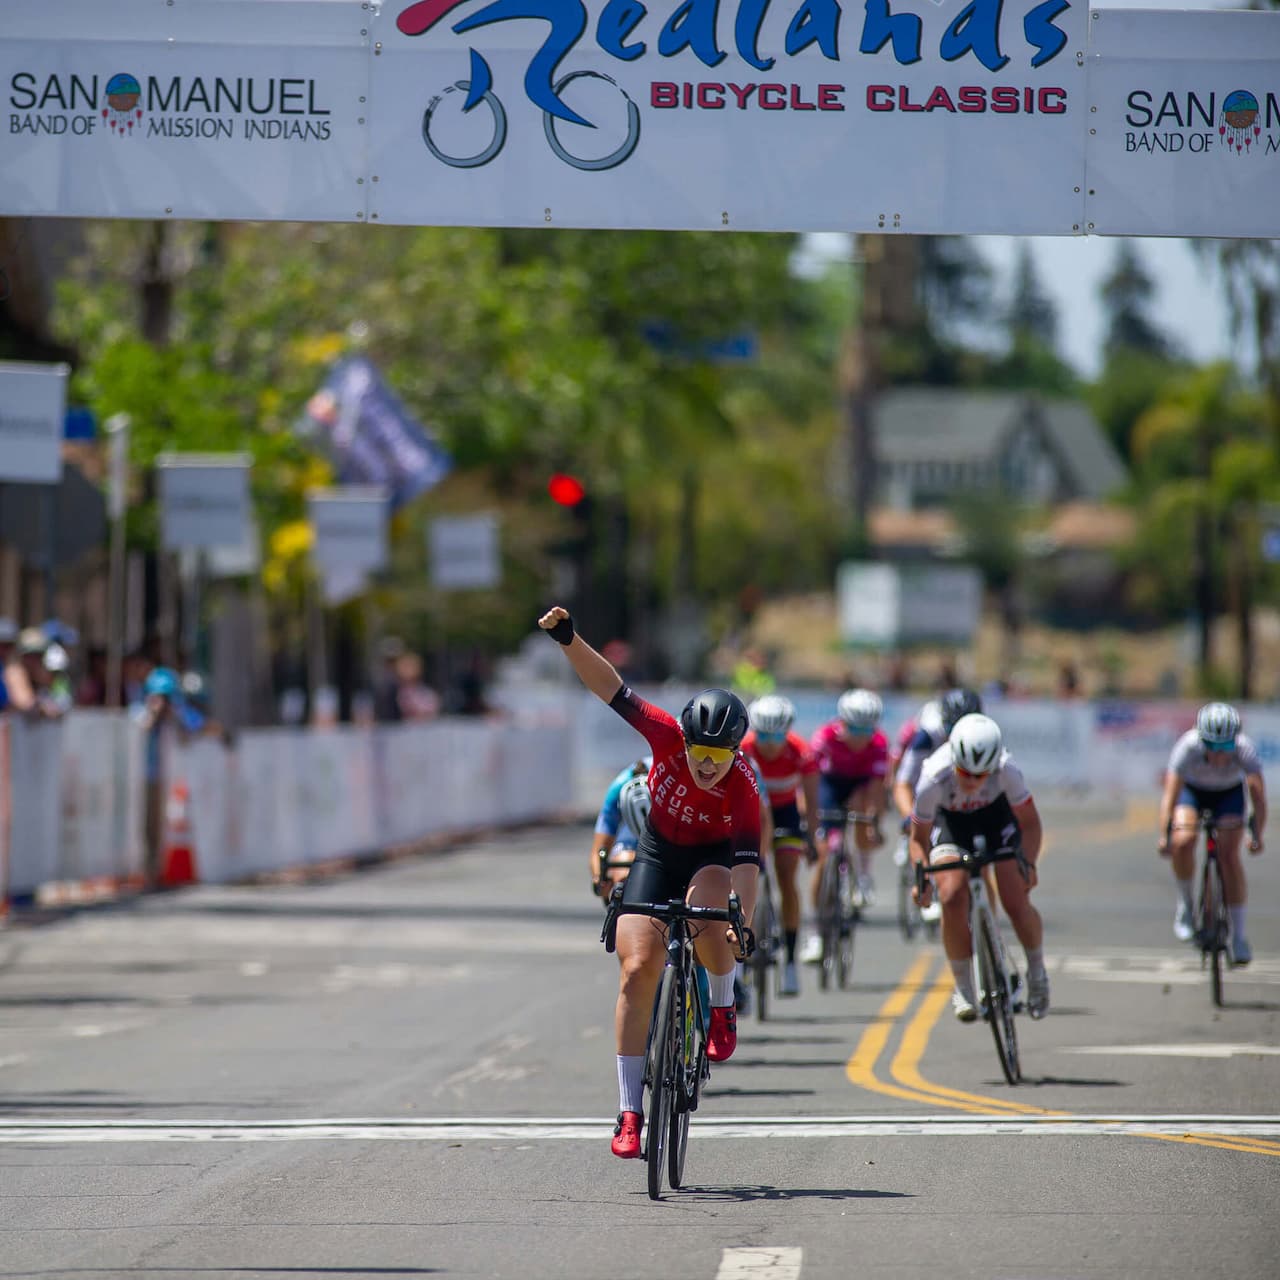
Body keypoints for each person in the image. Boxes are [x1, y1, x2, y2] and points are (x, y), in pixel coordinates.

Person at [537, 605, 759, 1161]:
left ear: (735, 752)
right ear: (682, 739)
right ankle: (630, 1111)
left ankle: (722, 1003)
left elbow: (749, 863)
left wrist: (744, 926)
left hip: (711, 859)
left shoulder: (744, 786)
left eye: (719, 757)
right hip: (657, 852)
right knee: (638, 970)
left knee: (710, 920)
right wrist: (568, 639)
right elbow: (608, 687)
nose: (707, 766)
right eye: (698, 752)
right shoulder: (662, 734)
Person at [909, 713, 1049, 1021]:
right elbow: (918, 838)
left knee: (1015, 900)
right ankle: (963, 987)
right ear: (954, 760)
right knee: (951, 896)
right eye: (964, 772)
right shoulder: (933, 776)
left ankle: (1037, 972)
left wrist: (1029, 862)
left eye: (980, 775)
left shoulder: (1007, 771)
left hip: (997, 819)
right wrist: (922, 880)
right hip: (952, 824)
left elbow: (1030, 824)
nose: (971, 781)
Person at [1157, 702, 1266, 964]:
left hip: (1228, 795)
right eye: (1212, 747)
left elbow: (1258, 797)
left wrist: (1257, 834)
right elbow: (1170, 797)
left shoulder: (1244, 750)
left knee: (1229, 856)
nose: (1218, 754)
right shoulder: (1187, 747)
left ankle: (1239, 936)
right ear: (1201, 739)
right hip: (1193, 793)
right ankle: (1185, 905)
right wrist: (1165, 835)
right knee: (1184, 842)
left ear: (1235, 741)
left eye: (1225, 747)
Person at [741, 694, 819, 996]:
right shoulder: (744, 749)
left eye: (777, 735)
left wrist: (811, 836)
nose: (770, 743)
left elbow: (812, 801)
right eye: (763, 735)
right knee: (748, 881)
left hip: (786, 813)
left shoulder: (801, 751)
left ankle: (789, 961)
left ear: (787, 732)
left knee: (787, 875)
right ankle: (743, 959)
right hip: (754, 814)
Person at [801, 688, 888, 960]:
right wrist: (808, 815)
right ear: (842, 723)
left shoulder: (879, 744)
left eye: (867, 732)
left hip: (861, 786)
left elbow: (876, 789)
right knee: (824, 853)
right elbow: (809, 782)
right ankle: (816, 933)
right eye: (854, 730)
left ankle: (862, 875)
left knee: (864, 810)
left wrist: (873, 824)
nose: (861, 738)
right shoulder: (824, 737)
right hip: (830, 784)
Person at [589, 756, 653, 901]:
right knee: (622, 874)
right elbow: (598, 849)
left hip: (672, 835)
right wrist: (600, 878)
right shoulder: (619, 785)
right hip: (630, 842)